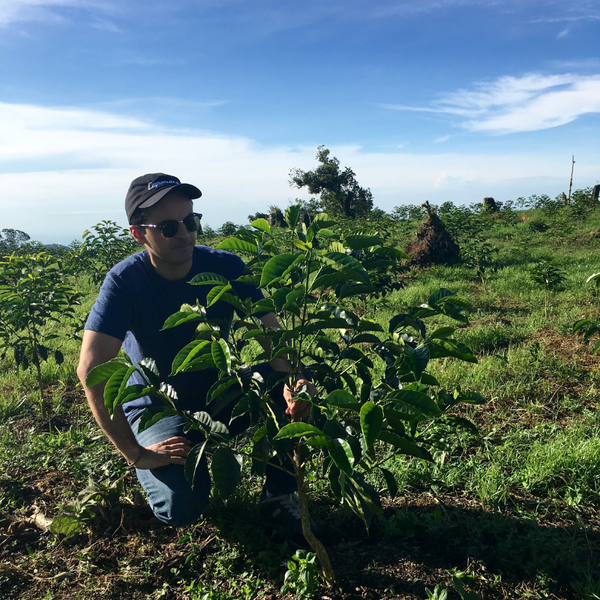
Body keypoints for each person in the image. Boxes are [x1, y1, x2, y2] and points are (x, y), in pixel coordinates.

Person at [77, 173, 315, 540]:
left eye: (191, 222)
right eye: (169, 228)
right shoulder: (125, 282)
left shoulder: (225, 267)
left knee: (303, 385)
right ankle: (174, 464)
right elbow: (91, 368)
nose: (185, 235)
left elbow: (275, 338)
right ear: (139, 234)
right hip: (160, 406)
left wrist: (294, 384)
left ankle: (279, 491)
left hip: (223, 391)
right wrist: (136, 453)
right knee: (181, 506)